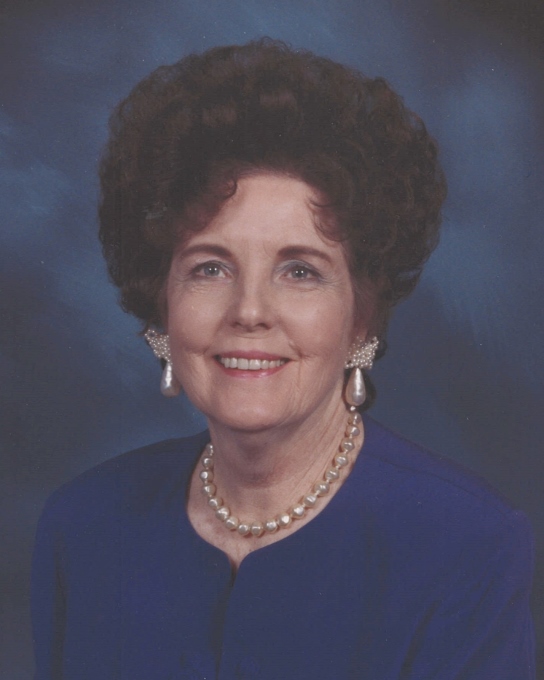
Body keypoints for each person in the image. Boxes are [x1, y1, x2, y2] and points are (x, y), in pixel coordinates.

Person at [31, 39, 535, 679]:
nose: (249, 310)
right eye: (210, 268)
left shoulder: (467, 547)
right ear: (162, 305)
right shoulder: (83, 526)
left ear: (361, 318)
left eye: (300, 271)